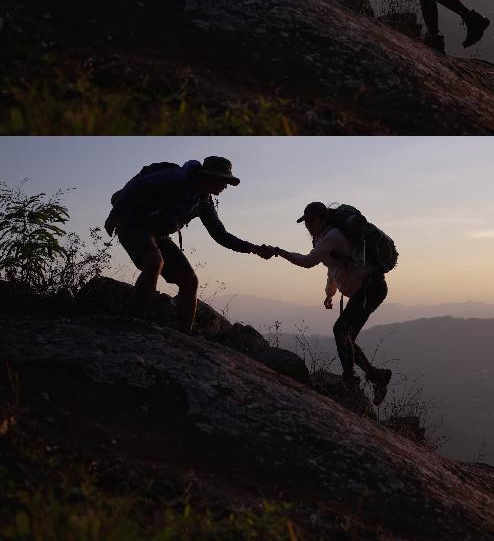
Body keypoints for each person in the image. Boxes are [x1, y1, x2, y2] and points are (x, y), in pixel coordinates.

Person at [105, 156, 275, 334]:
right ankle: (135, 323)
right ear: (211, 177)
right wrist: (115, 215)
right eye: (224, 182)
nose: (225, 187)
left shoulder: (204, 202)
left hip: (158, 233)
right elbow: (137, 185)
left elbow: (220, 235)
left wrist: (254, 249)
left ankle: (184, 336)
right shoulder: (177, 178)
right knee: (154, 262)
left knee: (189, 280)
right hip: (132, 222)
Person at [274, 202, 394, 405]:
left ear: (323, 219)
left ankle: (350, 380)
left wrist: (279, 251)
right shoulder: (323, 238)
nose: (308, 226)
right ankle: (377, 377)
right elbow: (332, 269)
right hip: (368, 290)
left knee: (340, 331)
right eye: (305, 222)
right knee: (346, 338)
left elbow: (308, 262)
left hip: (371, 289)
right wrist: (329, 294)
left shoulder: (332, 236)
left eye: (311, 221)